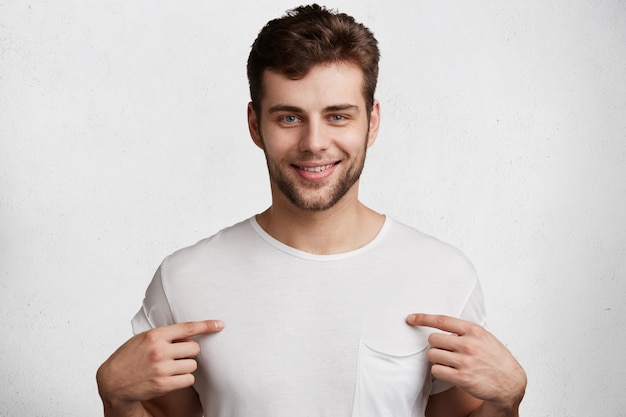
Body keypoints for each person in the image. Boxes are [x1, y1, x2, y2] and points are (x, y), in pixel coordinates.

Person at [96, 4, 527, 417]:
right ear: (254, 125)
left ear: (372, 122)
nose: (314, 142)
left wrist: (505, 405)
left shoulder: (444, 275)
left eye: (338, 116)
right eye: (289, 117)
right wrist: (117, 403)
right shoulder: (185, 279)